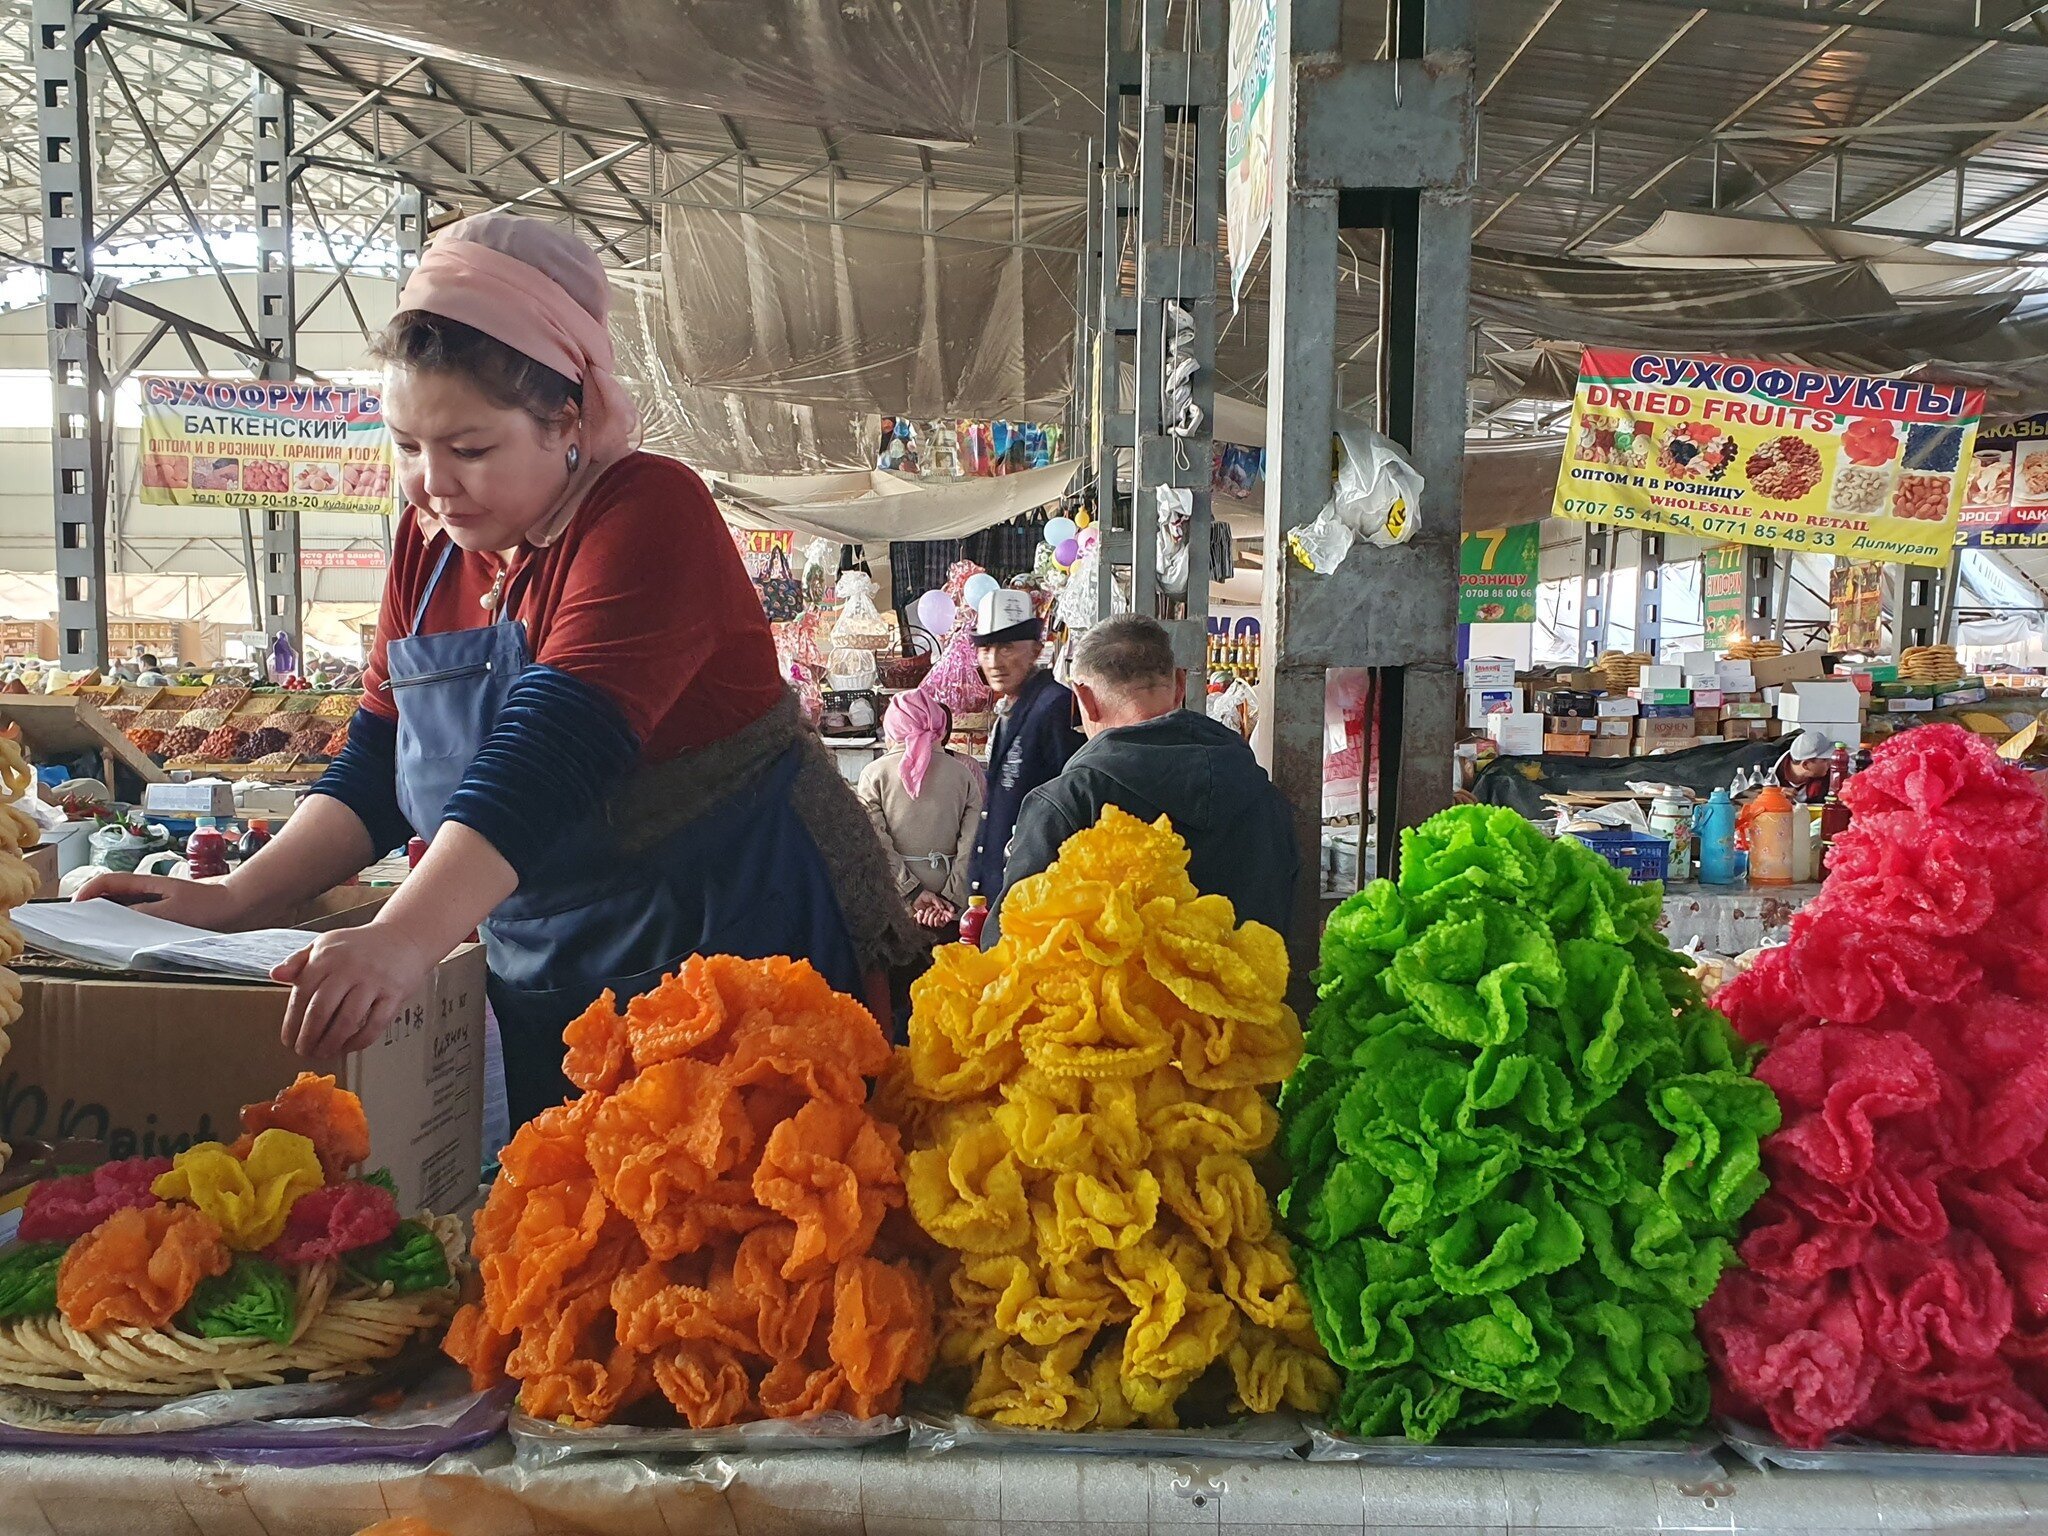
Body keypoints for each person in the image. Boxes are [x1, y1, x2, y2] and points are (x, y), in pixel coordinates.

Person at [80, 212, 913, 1132]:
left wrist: (403, 935)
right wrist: (236, 897)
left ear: (568, 419)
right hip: (549, 958)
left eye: (469, 449)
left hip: (730, 937)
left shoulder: (646, 512)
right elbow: (383, 754)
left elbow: (555, 748)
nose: (432, 483)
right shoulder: (430, 546)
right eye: (405, 446)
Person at [983, 613, 1298, 946]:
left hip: (1107, 1001)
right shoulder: (1263, 795)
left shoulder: (1070, 803)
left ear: (1085, 699)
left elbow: (1007, 948)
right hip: (1255, 996)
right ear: (1180, 685)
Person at [966, 587, 1082, 910]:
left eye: (1006, 647)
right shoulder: (1012, 709)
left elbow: (1067, 804)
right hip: (1000, 890)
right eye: (986, 648)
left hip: (1032, 893)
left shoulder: (1055, 706)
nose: (994, 660)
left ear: (1035, 649)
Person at [857, 689, 981, 934]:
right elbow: (973, 842)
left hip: (894, 904)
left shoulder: (874, 774)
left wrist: (911, 891)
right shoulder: (963, 774)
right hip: (950, 910)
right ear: (939, 726)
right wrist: (951, 899)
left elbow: (874, 841)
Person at [1772, 727, 1836, 805]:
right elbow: (1754, 795)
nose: (1831, 762)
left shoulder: (1832, 774)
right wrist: (1774, 796)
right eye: (1824, 760)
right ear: (1805, 765)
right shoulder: (1765, 771)